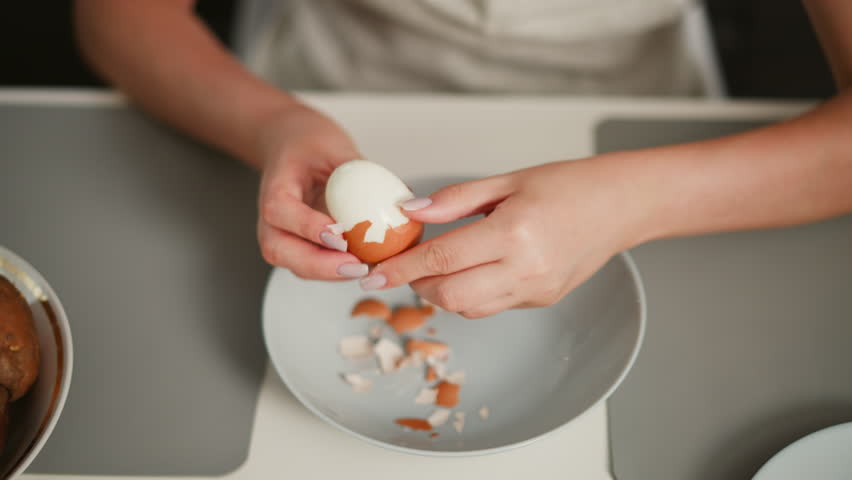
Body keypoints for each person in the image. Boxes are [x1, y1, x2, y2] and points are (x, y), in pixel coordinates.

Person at [76, 0, 852, 318]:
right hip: (322, 73)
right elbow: (119, 19)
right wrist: (275, 125)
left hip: (643, 117)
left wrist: (631, 203)